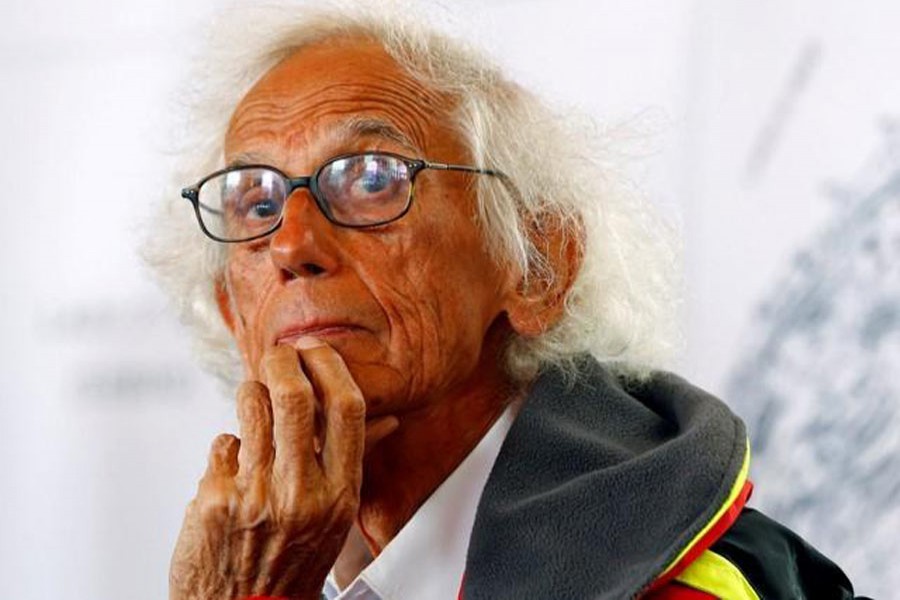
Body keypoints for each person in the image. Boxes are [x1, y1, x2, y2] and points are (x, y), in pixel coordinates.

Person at [147, 2, 866, 598]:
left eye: (370, 177)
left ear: (538, 266)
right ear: (234, 313)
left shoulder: (684, 588)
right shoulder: (301, 561)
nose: (290, 243)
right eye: (253, 201)